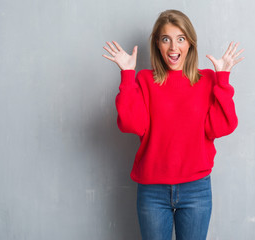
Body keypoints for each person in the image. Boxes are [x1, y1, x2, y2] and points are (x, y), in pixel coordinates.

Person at [102, 9, 244, 240]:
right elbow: (131, 124)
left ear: (190, 43)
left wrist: (223, 79)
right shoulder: (145, 80)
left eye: (181, 39)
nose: (173, 47)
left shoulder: (207, 80)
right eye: (165, 39)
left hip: (196, 189)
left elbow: (221, 127)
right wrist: (128, 75)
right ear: (157, 44)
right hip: (152, 190)